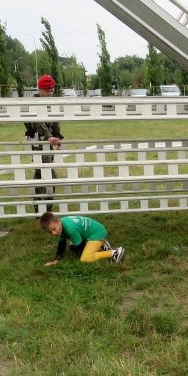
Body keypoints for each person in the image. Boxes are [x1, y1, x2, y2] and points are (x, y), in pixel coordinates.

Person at [24, 74, 64, 212]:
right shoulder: (33, 104)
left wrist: (58, 137)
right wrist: (49, 136)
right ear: (39, 89)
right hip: (38, 143)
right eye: (47, 91)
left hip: (47, 143)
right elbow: (36, 122)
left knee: (41, 174)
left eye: (52, 91)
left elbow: (55, 121)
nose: (50, 94)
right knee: (47, 175)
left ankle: (43, 208)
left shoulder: (50, 104)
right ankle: (43, 208)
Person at [39, 212, 124, 265]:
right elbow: (61, 243)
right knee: (74, 246)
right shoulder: (62, 224)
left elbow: (80, 246)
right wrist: (56, 259)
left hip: (97, 233)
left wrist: (72, 248)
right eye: (50, 232)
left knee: (85, 258)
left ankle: (115, 252)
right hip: (91, 232)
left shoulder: (71, 229)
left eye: (54, 229)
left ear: (58, 221)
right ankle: (100, 246)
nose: (54, 233)